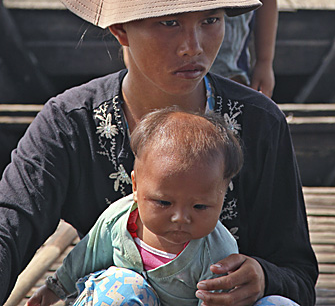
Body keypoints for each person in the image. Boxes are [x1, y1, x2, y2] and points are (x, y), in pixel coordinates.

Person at [0, 0, 317, 306]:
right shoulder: (69, 123)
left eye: (210, 20)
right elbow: (10, 227)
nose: (194, 46)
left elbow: (298, 273)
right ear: (120, 28)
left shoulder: (259, 123)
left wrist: (262, 277)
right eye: (169, 22)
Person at [27, 109, 243, 306]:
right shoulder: (118, 219)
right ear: (136, 187)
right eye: (164, 203)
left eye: (200, 206)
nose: (180, 217)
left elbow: (216, 300)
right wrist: (55, 289)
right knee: (121, 286)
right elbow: (86, 256)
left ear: (222, 197)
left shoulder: (218, 251)